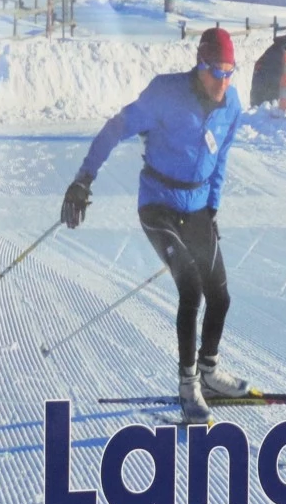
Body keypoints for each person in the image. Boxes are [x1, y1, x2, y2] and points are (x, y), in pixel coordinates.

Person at [62, 27, 251, 422]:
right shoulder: (165, 93)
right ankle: (188, 385)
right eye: (215, 70)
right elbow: (117, 127)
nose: (222, 80)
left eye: (229, 71)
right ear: (199, 65)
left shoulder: (232, 104)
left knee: (220, 295)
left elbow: (221, 159)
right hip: (158, 205)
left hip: (197, 208)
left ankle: (209, 372)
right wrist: (83, 179)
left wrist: (212, 209)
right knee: (191, 286)